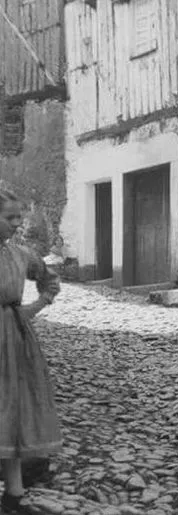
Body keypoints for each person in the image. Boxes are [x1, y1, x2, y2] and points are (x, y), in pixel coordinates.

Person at [0, 190, 63, 513]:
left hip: (11, 338)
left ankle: (14, 493)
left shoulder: (18, 255)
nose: (16, 224)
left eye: (18, 218)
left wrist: (34, 306)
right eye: (9, 218)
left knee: (12, 411)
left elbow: (48, 278)